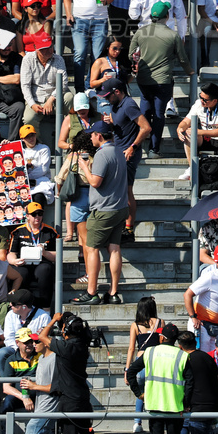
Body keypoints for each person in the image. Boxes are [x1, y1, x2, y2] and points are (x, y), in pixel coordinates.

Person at [69, 120, 128, 305]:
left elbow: (95, 182)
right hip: (120, 208)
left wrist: (85, 166)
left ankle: (92, 292)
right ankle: (113, 293)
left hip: (103, 210)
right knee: (114, 248)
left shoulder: (103, 154)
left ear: (99, 136)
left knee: (92, 248)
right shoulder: (119, 150)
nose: (91, 137)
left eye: (93, 134)